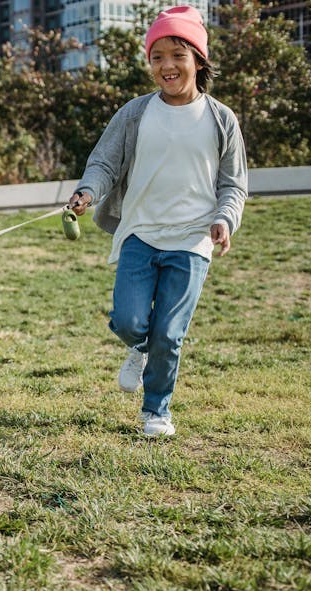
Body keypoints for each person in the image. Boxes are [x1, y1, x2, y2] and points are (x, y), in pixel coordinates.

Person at [68, 5, 247, 437]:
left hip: (191, 241)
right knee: (131, 321)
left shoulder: (221, 119)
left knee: (170, 332)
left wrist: (224, 219)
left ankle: (156, 411)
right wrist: (88, 192)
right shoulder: (135, 113)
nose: (166, 65)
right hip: (140, 234)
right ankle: (140, 347)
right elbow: (104, 163)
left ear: (198, 61)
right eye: (157, 56)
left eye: (177, 55)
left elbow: (234, 185)